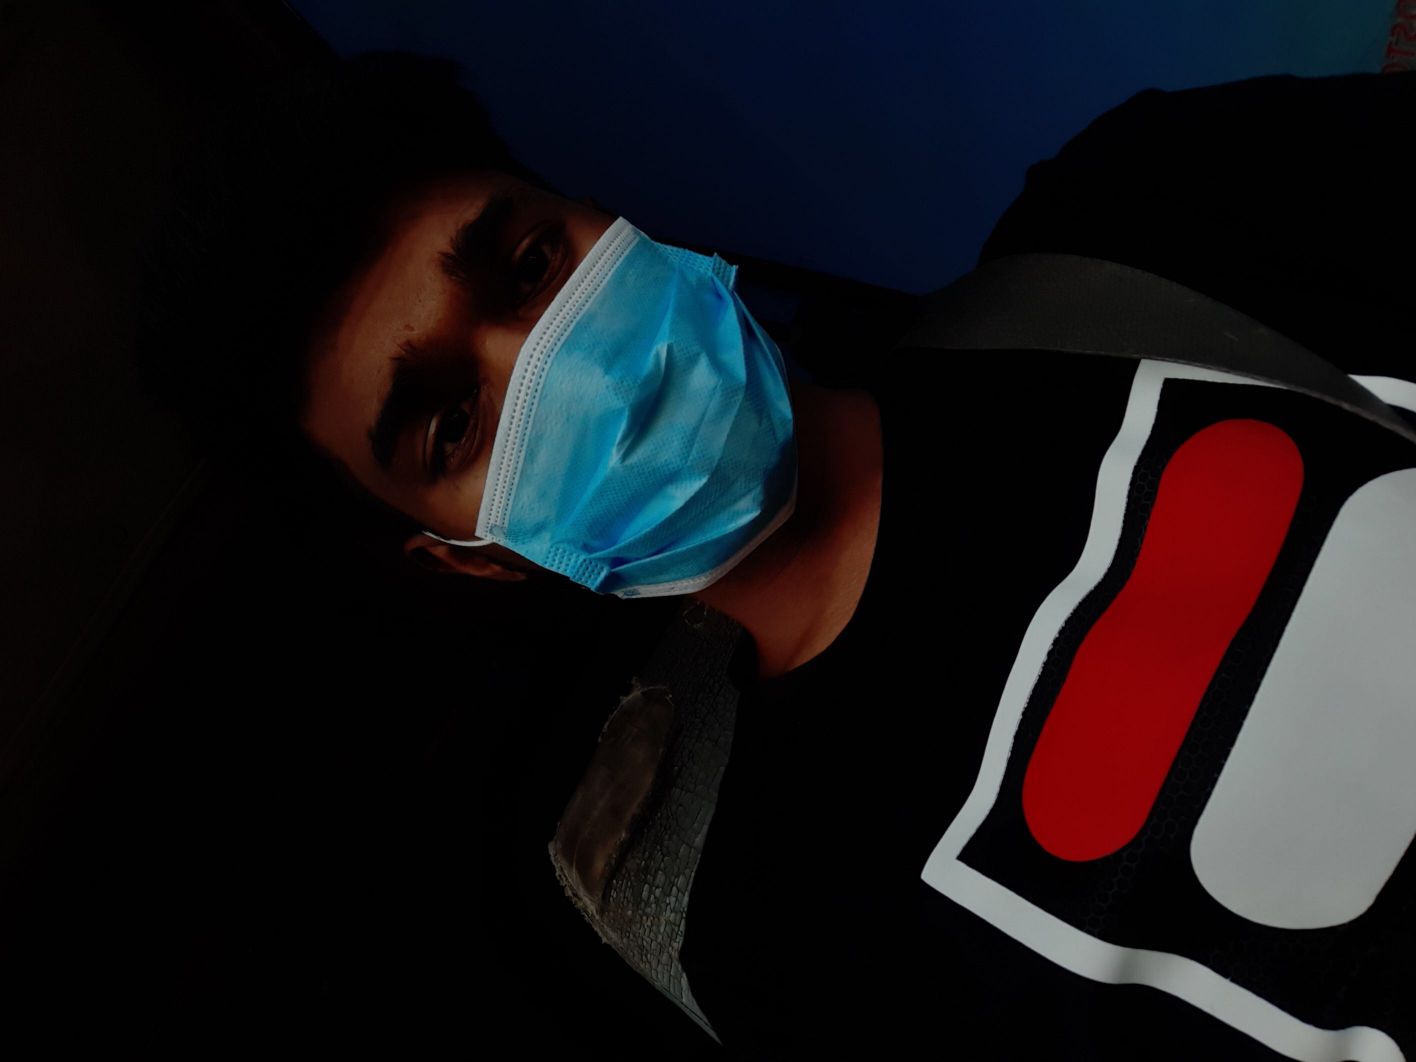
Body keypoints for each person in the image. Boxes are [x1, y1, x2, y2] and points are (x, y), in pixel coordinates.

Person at [137, 52, 1416, 1060]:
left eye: (528, 266)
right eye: (454, 424)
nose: (558, 366)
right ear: (470, 559)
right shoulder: (798, 952)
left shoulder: (1135, 212)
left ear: (604, 219)